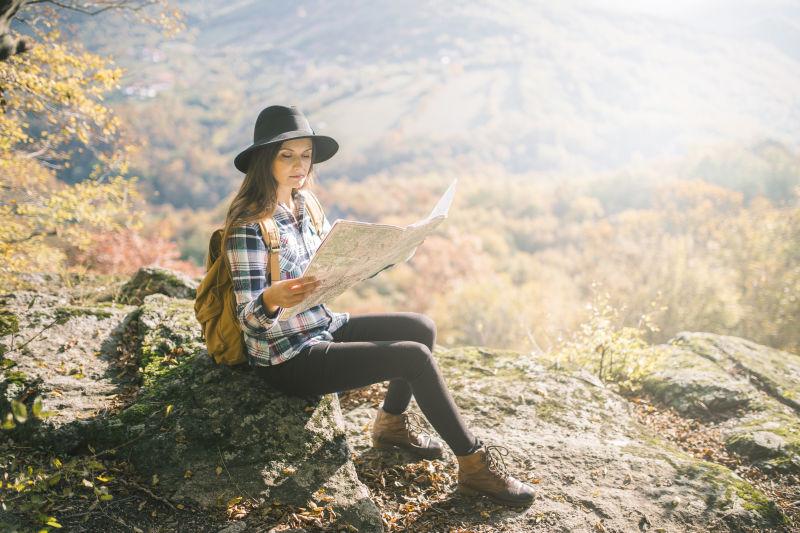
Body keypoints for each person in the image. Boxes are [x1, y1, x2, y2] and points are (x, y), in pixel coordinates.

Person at [221, 105, 535, 507]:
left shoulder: (307, 205)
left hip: (321, 323)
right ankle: (475, 466)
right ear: (266, 160)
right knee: (413, 358)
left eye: (305, 155)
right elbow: (249, 321)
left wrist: (384, 254)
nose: (300, 165)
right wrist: (270, 299)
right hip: (287, 356)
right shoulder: (250, 225)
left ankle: (390, 427)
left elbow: (326, 270)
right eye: (287, 155)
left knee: (421, 327)